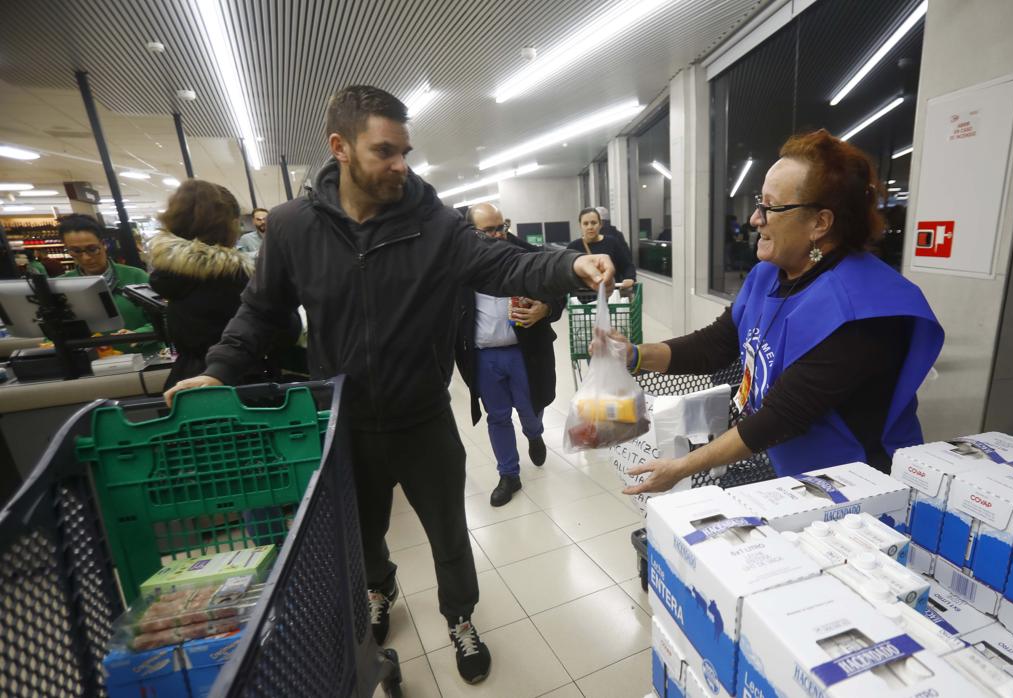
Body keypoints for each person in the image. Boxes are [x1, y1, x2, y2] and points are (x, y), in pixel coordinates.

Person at [162, 85, 615, 685]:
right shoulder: (295, 227)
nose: (401, 164)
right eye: (385, 151)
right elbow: (261, 311)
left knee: (449, 533)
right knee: (362, 534)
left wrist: (569, 265)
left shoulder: (434, 225)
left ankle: (460, 616)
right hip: (345, 422)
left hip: (423, 417)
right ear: (340, 147)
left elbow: (504, 263)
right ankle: (380, 588)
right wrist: (217, 369)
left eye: (405, 151)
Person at [614, 129, 943, 494]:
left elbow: (783, 415)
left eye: (771, 207)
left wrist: (681, 467)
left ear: (820, 223)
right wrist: (634, 355)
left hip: (860, 483)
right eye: (760, 202)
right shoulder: (770, 274)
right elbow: (717, 344)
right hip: (802, 474)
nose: (756, 219)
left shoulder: (861, 310)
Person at [455, 202, 564, 507]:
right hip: (484, 357)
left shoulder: (527, 255)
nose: (498, 235)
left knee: (530, 408)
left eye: (501, 227)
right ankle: (508, 474)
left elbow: (558, 290)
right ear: (470, 232)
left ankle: (534, 433)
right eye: (488, 230)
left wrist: (546, 308)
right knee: (498, 416)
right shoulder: (458, 265)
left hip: (524, 353)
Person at [148, 181, 297, 390]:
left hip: (187, 379)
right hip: (238, 385)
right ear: (229, 224)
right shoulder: (232, 277)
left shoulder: (169, 275)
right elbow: (281, 332)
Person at [57, 214, 161, 354]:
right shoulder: (61, 286)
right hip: (92, 363)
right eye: (76, 251)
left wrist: (139, 335)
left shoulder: (136, 276)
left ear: (104, 244)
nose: (86, 257)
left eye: (92, 249)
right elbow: (55, 332)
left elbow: (166, 318)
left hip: (144, 358)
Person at [567, 207, 635, 290]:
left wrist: (630, 278)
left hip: (611, 293)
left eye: (593, 223)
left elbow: (627, 265)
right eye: (585, 223)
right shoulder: (573, 247)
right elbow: (566, 273)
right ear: (580, 226)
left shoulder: (612, 243)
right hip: (582, 295)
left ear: (600, 224)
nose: (590, 227)